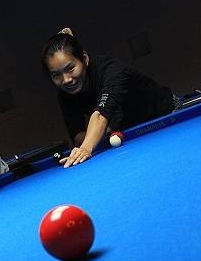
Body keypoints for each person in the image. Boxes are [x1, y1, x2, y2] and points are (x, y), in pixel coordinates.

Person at [41, 28, 180, 168]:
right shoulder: (65, 94)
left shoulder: (110, 70)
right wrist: (100, 133)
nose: (66, 80)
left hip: (167, 115)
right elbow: (78, 136)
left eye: (70, 68)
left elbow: (100, 116)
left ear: (85, 59)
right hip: (127, 132)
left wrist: (86, 147)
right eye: (56, 75)